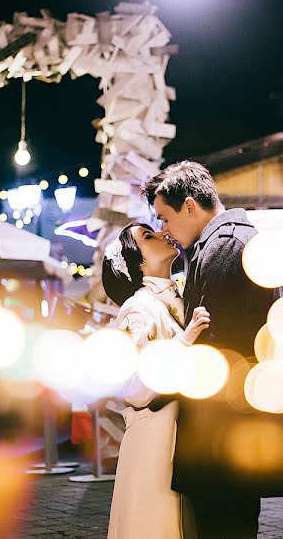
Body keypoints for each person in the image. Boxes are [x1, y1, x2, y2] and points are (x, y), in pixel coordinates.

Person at [142, 161, 283, 538]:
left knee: (224, 528)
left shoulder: (224, 248)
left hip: (223, 434)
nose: (164, 230)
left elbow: (214, 348)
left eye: (165, 218)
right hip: (239, 429)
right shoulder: (237, 241)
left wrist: (157, 391)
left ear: (191, 206)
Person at [103, 222, 211, 539]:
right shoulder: (137, 307)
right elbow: (134, 389)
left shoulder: (180, 296)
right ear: (136, 262)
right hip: (153, 441)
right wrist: (184, 342)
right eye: (148, 237)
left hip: (178, 439)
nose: (164, 233)